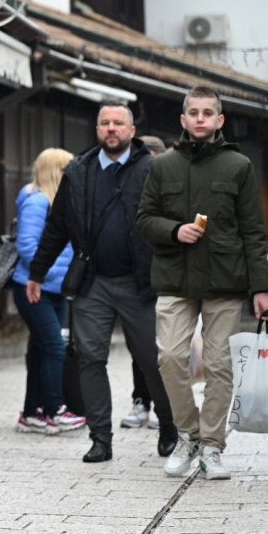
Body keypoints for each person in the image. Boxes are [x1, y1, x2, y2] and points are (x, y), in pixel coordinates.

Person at [26, 101, 178, 463]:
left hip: (140, 283)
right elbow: (57, 227)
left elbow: (172, 221)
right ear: (97, 130)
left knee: (151, 359)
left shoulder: (152, 169)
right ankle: (101, 439)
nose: (112, 128)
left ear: (131, 130)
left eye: (118, 123)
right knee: (90, 358)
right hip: (92, 282)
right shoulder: (78, 170)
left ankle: (169, 424)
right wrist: (36, 272)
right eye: (105, 123)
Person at [136, 86, 268, 480]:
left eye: (207, 113)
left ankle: (212, 445)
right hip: (175, 278)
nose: (200, 119)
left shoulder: (238, 166)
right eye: (193, 112)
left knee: (218, 365)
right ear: (183, 119)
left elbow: (254, 231)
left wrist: (261, 287)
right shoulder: (163, 166)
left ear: (219, 120)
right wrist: (175, 231)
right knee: (170, 358)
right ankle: (188, 434)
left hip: (225, 280)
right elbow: (144, 219)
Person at [11, 149, 86, 436]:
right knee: (54, 348)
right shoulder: (38, 201)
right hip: (34, 287)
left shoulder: (52, 201)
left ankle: (32, 413)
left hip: (53, 288)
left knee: (43, 349)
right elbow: (28, 246)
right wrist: (52, 274)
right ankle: (56, 410)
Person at [118, 134, 165, 431]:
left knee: (164, 348)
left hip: (166, 276)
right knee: (140, 347)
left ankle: (165, 405)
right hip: (137, 277)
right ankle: (141, 401)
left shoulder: (165, 182)